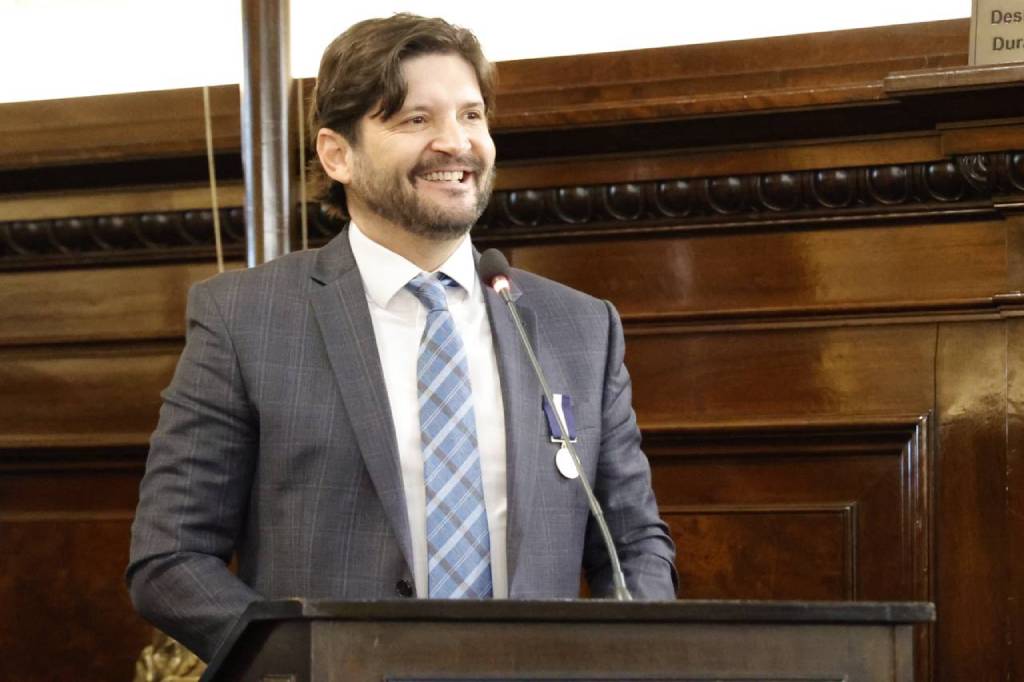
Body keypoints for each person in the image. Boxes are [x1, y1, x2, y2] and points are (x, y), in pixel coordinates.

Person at [127, 13, 677, 663]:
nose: (455, 142)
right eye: (416, 119)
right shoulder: (246, 318)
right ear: (338, 153)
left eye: (471, 116)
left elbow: (635, 542)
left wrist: (633, 656)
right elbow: (170, 559)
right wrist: (307, 662)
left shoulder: (579, 327)